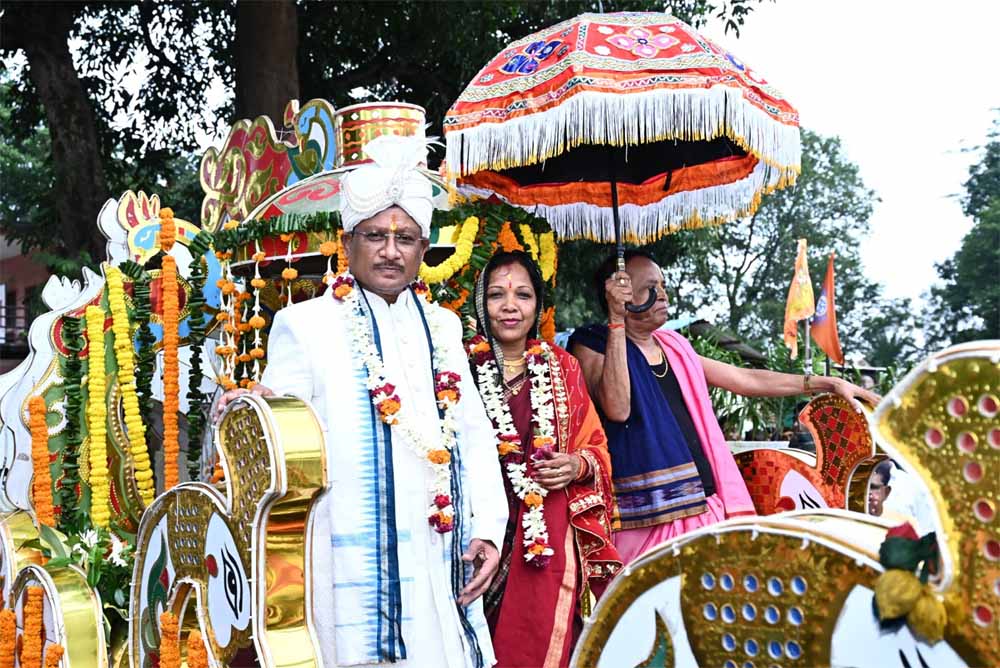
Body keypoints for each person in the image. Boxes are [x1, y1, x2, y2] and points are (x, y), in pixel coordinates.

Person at [214, 135, 508, 668]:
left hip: (437, 546)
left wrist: (488, 529)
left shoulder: (444, 327)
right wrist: (251, 410)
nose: (391, 251)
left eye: (406, 238)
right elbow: (280, 436)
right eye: (375, 235)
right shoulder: (304, 325)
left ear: (423, 250)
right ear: (348, 243)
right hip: (348, 557)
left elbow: (472, 434)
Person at [569, 250, 881, 564]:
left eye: (663, 285)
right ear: (619, 292)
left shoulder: (673, 346)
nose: (663, 294)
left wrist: (828, 383)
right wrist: (617, 322)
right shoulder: (591, 342)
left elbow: (745, 379)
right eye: (651, 287)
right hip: (641, 524)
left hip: (704, 508)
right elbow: (618, 408)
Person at [467, 250, 621, 668]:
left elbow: (596, 447)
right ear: (480, 302)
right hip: (472, 527)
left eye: (523, 295)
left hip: (542, 531)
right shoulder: (457, 367)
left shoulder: (563, 367)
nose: (510, 306)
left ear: (538, 305)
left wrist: (576, 465)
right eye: (496, 295)